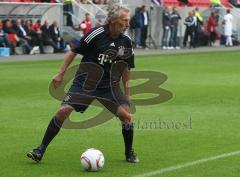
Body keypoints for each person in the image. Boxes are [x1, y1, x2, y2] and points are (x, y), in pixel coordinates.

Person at [27, 4, 139, 163]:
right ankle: (40, 149)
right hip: (85, 83)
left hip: (108, 86)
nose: (128, 24)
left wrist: (127, 94)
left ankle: (129, 153)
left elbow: (127, 67)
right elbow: (74, 51)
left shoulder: (126, 41)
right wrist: (60, 74)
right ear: (113, 20)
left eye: (128, 20)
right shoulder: (96, 34)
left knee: (127, 117)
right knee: (62, 112)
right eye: (125, 20)